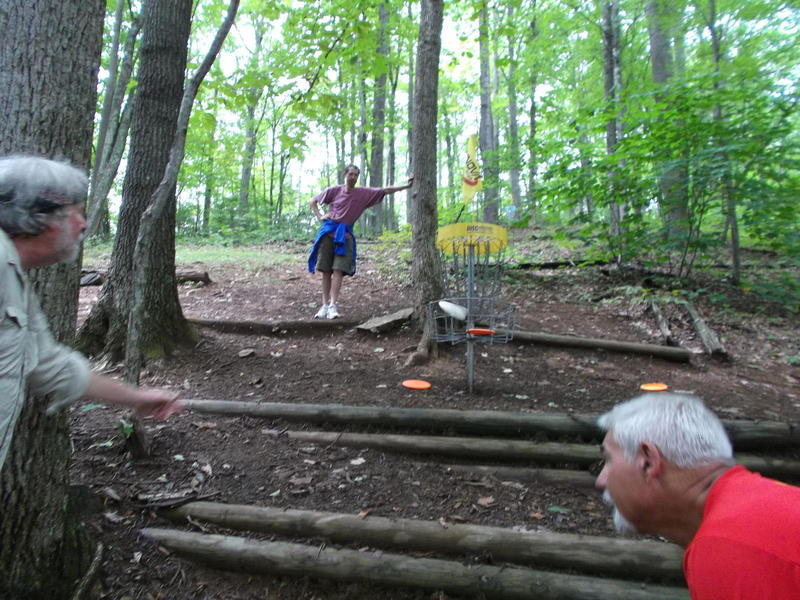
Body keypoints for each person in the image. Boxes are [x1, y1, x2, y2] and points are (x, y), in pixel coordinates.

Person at [0, 154, 182, 472]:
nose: (84, 224)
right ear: (39, 214)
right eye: (76, 213)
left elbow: (51, 365)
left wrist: (135, 398)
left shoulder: (13, 276)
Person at [595, 392, 800, 599]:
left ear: (648, 462)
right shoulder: (761, 504)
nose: (600, 481)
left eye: (609, 459)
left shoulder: (727, 550)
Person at [307, 164, 413, 319]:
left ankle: (332, 306)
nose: (353, 178)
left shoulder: (363, 193)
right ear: (345, 175)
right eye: (351, 174)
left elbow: (385, 190)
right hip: (328, 233)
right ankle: (323, 305)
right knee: (326, 271)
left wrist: (406, 186)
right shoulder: (334, 190)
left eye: (356, 175)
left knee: (338, 270)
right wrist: (320, 216)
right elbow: (312, 201)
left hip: (346, 236)